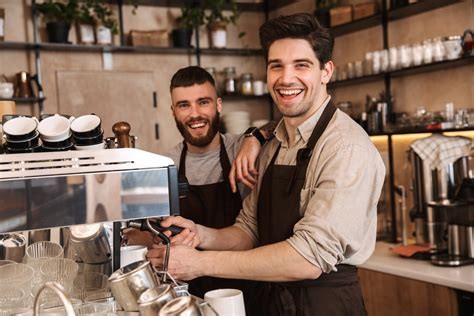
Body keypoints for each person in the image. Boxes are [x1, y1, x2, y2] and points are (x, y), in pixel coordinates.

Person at [148, 13, 386, 315]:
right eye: (277, 66)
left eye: (301, 65)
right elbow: (250, 229)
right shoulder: (272, 143)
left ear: (326, 71)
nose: (286, 79)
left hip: (323, 306)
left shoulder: (346, 147)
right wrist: (198, 234)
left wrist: (197, 262)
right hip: (272, 303)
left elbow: (309, 258)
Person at [127, 66, 264, 308]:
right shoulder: (164, 165)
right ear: (173, 111)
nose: (195, 114)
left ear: (218, 105)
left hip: (245, 286)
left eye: (203, 102)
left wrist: (255, 137)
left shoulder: (240, 149)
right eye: (184, 105)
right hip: (189, 293)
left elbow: (280, 127)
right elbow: (146, 230)